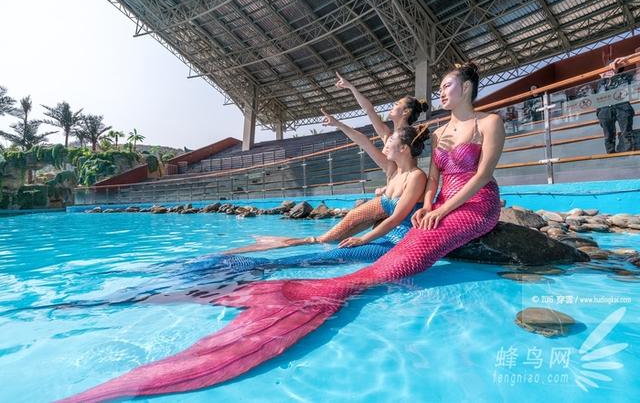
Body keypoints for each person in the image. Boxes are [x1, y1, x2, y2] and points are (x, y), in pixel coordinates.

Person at [59, 62, 505, 402]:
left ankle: (296, 299)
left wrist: (437, 209)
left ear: (465, 87)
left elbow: (481, 176)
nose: (441, 92)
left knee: (377, 272)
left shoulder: (488, 123)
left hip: (473, 208)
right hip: (437, 209)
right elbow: (432, 178)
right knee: (344, 251)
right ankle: (273, 277)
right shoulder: (442, 132)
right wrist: (430, 207)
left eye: (446, 85)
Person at [224, 92, 429, 255]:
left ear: (406, 112)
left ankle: (298, 243)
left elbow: (368, 127)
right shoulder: (390, 136)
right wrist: (345, 101)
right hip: (388, 198)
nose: (392, 105)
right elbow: (365, 127)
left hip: (396, 201)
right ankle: (300, 242)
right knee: (338, 232)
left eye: (397, 104)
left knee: (336, 236)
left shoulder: (408, 141)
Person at [595, 56, 635, 153]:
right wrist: (599, 113)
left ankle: (629, 153)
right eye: (608, 67)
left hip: (622, 105)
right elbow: (598, 96)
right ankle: (611, 154)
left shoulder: (625, 76)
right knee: (608, 135)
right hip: (605, 108)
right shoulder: (601, 81)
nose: (610, 69)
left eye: (613, 66)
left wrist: (625, 61)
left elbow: (632, 85)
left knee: (626, 132)